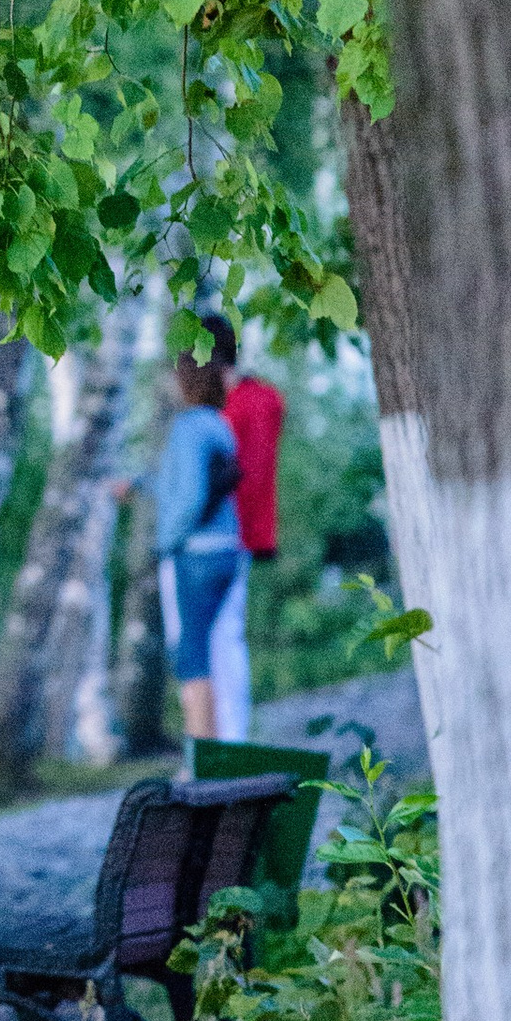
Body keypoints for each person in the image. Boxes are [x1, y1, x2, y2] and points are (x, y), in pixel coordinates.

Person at [154, 343, 245, 748]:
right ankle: (224, 748)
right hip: (228, 548)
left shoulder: (187, 428)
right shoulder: (218, 425)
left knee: (192, 658)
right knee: (218, 649)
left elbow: (189, 497)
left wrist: (167, 540)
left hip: (195, 554)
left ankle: (202, 762)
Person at [206, 312, 285, 745]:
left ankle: (229, 738)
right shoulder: (268, 399)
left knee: (221, 639)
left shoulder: (228, 414)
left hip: (226, 533)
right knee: (231, 635)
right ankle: (230, 735)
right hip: (255, 530)